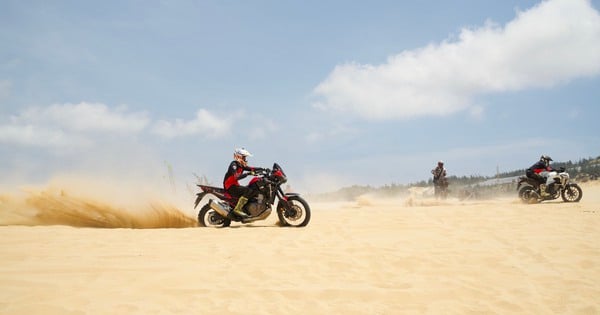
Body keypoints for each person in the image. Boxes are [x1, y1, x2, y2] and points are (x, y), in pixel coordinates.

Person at [223, 148, 264, 217]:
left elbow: (251, 168)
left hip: (234, 185)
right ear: (239, 156)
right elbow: (236, 176)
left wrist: (262, 169)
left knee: (253, 189)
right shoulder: (234, 165)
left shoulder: (241, 165)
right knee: (248, 190)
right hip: (230, 186)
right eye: (244, 157)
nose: (245, 159)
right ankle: (238, 209)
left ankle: (250, 207)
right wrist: (248, 174)